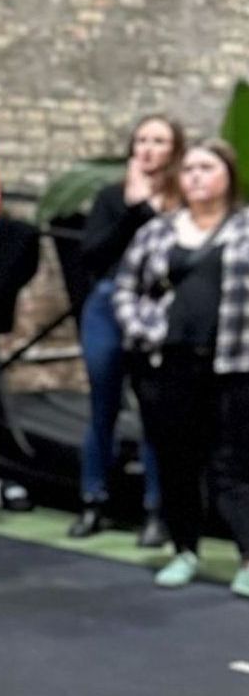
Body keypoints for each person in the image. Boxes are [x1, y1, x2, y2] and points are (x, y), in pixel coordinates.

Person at [113, 138, 249, 596]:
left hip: (233, 364)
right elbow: (125, 288)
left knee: (230, 465)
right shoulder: (159, 232)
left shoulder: (244, 230)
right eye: (189, 169)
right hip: (169, 362)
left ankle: (247, 556)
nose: (195, 176)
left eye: (207, 168)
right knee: (176, 462)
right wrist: (144, 329)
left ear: (227, 175)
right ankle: (184, 550)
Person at [67, 115, 184, 545]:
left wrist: (149, 208)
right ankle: (93, 500)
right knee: (103, 407)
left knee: (154, 410)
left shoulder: (183, 200)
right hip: (107, 305)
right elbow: (93, 254)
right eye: (142, 140)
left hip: (157, 310)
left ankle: (157, 510)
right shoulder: (111, 197)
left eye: (160, 141)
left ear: (174, 149)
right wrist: (134, 209)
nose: (149, 149)